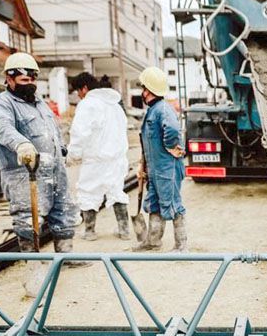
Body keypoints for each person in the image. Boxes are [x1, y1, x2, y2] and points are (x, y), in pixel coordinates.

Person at [0, 52, 80, 256]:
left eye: (32, 79)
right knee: (29, 219)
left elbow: (52, 130)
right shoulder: (2, 104)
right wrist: (21, 144)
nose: (29, 84)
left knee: (64, 212)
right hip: (25, 173)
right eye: (23, 80)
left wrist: (63, 149)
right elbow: (2, 128)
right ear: (9, 79)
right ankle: (33, 263)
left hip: (55, 171)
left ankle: (66, 256)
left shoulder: (40, 103)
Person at [67, 72, 130, 240]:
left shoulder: (88, 104)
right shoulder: (115, 105)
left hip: (95, 159)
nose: (79, 96)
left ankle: (89, 231)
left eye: (78, 92)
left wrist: (73, 154)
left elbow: (80, 132)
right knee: (117, 191)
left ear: (85, 88)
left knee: (88, 191)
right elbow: (123, 129)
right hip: (116, 158)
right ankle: (124, 230)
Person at [135, 66, 187, 252]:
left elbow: (172, 130)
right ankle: (153, 241)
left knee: (173, 204)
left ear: (149, 90)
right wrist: (145, 167)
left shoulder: (163, 109)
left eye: (144, 88)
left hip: (167, 169)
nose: (142, 92)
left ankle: (181, 246)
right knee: (154, 204)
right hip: (156, 170)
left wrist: (171, 146)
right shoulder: (153, 110)